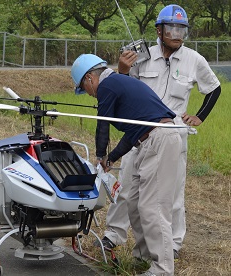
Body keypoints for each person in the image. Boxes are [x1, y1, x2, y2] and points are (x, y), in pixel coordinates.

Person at [101, 3, 221, 261]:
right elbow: (123, 87)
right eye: (172, 28)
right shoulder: (140, 56)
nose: (177, 34)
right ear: (159, 30)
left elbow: (214, 88)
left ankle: (173, 243)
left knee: (172, 193)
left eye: (182, 29)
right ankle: (113, 235)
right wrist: (122, 69)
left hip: (173, 136)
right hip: (140, 132)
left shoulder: (194, 60)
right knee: (128, 186)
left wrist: (199, 116)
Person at [71, 53, 182, 276]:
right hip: (148, 140)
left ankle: (162, 269)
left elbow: (102, 124)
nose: (91, 95)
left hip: (159, 139)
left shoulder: (107, 86)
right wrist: (111, 157)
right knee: (134, 201)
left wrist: (100, 154)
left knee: (153, 207)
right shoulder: (119, 83)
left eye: (86, 89)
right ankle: (143, 257)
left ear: (90, 78)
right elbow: (132, 133)